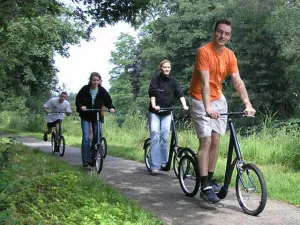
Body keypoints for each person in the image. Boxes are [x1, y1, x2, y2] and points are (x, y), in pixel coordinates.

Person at [189, 19, 256, 203]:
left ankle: (209, 181)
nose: (222, 36)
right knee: (206, 140)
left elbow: (237, 81)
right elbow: (204, 81)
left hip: (218, 98)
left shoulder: (230, 55)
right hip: (199, 98)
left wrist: (247, 104)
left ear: (230, 36)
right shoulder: (203, 52)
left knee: (216, 140)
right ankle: (203, 186)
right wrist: (208, 108)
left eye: (226, 33)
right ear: (214, 32)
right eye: (220, 32)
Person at [148, 59, 189, 175]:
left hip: (167, 112)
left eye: (168, 67)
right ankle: (154, 165)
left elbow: (180, 93)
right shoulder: (156, 79)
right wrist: (154, 105)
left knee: (165, 136)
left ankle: (163, 162)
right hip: (155, 112)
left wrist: (184, 105)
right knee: (155, 134)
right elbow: (152, 93)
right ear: (161, 68)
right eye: (164, 67)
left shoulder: (173, 81)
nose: (166, 69)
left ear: (170, 69)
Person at [75, 72, 115, 167]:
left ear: (99, 81)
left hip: (97, 115)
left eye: (97, 80)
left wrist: (111, 107)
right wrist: (81, 106)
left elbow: (108, 101)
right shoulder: (85, 89)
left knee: (97, 137)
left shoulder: (102, 91)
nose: (95, 82)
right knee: (86, 137)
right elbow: (78, 101)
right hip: (86, 115)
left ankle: (93, 159)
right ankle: (86, 160)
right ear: (90, 80)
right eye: (93, 80)